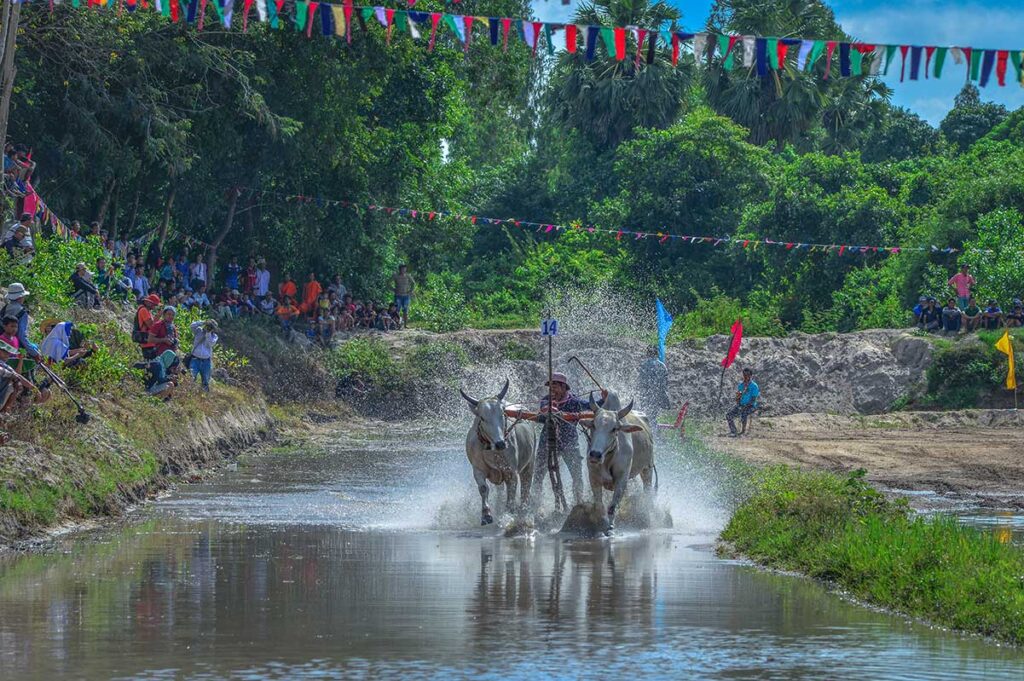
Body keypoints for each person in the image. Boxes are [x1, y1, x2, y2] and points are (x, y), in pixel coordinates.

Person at [533, 372, 605, 507]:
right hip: (547, 442)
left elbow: (593, 406)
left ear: (564, 387)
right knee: (537, 474)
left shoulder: (574, 402)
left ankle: (578, 503)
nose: (552, 390)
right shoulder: (546, 399)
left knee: (576, 475)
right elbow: (543, 409)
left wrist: (603, 399)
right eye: (550, 387)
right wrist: (550, 409)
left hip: (569, 442)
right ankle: (535, 506)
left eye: (555, 386)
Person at [1, 283, 42, 362]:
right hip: (14, 344)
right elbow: (22, 336)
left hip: (2, 341)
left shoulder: (5, 308)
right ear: (20, 297)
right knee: (35, 348)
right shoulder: (22, 312)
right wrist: (34, 353)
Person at [637, 346, 670, 421]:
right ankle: (654, 429)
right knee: (653, 417)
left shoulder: (644, 365)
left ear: (647, 354)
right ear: (657, 354)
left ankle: (649, 429)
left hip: (646, 396)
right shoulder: (662, 366)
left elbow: (640, 382)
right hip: (658, 397)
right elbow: (665, 385)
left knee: (644, 415)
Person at [726, 368, 760, 437]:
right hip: (741, 405)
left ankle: (743, 431)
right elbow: (738, 397)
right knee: (728, 415)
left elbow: (753, 400)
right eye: (744, 375)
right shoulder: (741, 385)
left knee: (744, 413)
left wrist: (744, 406)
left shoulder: (754, 386)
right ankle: (734, 430)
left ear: (750, 376)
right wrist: (738, 401)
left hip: (751, 406)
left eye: (747, 375)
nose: (745, 376)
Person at [189, 319, 218, 392]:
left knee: (205, 381)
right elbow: (192, 326)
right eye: (208, 326)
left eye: (211, 327)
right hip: (195, 359)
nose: (208, 327)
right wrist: (203, 322)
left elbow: (210, 343)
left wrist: (208, 333)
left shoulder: (214, 336)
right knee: (191, 377)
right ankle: (189, 392)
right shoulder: (199, 331)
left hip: (206, 361)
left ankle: (204, 396)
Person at [133, 293, 162, 359]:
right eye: (154, 304)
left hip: (148, 342)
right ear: (148, 302)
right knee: (151, 364)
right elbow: (151, 326)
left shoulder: (147, 311)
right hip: (147, 343)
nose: (155, 307)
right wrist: (157, 316)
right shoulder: (144, 310)